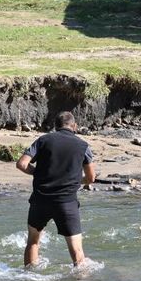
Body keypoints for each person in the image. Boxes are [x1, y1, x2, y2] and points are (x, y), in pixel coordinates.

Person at [16, 111, 96, 267]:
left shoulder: (43, 140)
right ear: (75, 126)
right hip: (66, 203)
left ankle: (29, 279)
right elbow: (91, 178)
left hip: (40, 200)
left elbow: (22, 164)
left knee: (33, 242)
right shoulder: (83, 146)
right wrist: (75, 181)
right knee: (77, 249)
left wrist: (38, 173)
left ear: (56, 126)